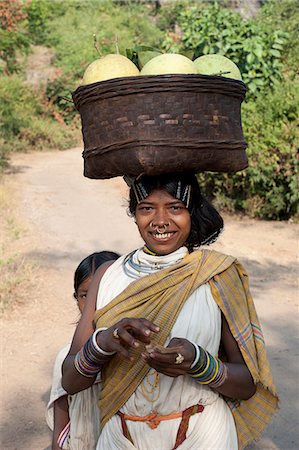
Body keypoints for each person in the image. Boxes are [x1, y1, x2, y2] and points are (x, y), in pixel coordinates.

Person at [62, 172, 278, 450]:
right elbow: (70, 380)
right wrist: (102, 343)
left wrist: (199, 363)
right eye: (146, 208)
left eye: (175, 207)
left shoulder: (215, 274)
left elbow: (247, 385)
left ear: (192, 212)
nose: (160, 221)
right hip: (122, 436)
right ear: (134, 213)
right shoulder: (108, 276)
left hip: (203, 435)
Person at [46, 251, 120, 450]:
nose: (94, 305)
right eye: (85, 295)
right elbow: (61, 430)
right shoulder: (67, 358)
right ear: (76, 298)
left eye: (105, 292)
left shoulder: (133, 353)